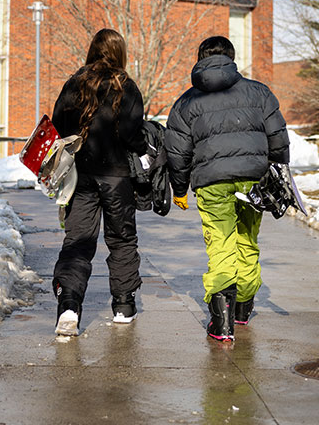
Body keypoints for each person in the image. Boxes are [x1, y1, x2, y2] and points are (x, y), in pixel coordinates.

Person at [164, 36, 289, 341]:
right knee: (247, 241)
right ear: (232, 59)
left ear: (199, 59)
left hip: (211, 183)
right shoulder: (259, 93)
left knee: (221, 246)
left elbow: (177, 152)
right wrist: (279, 174)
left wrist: (179, 189)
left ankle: (221, 322)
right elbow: (279, 139)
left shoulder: (186, 102)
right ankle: (243, 309)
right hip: (254, 181)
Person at [50, 28, 148, 336]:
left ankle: (68, 305)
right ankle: (123, 305)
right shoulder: (127, 87)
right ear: (120, 53)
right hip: (117, 177)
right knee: (121, 240)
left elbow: (57, 128)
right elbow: (134, 136)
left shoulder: (74, 84)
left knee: (78, 240)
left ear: (92, 50)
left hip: (80, 175)